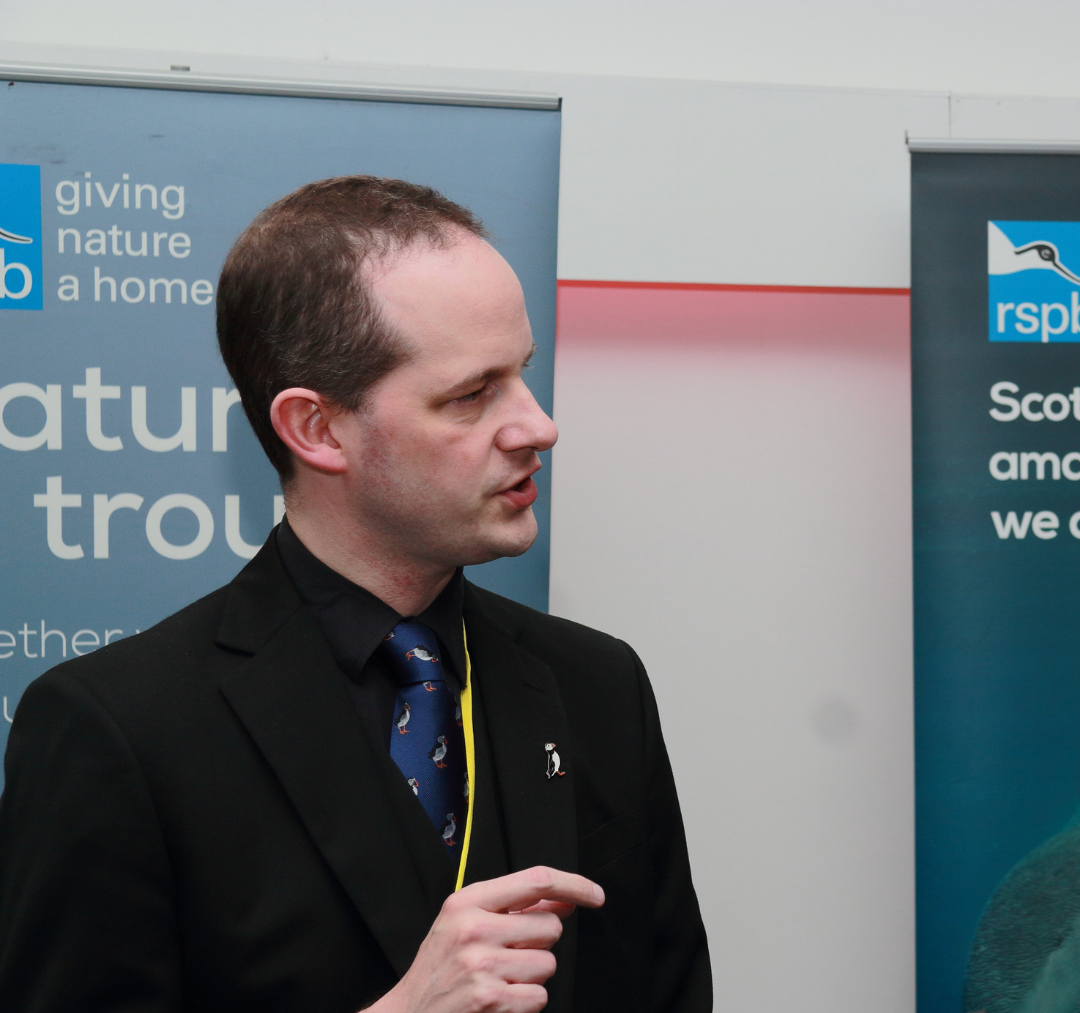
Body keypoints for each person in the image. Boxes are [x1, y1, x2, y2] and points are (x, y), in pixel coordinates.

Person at [0, 177, 710, 1013]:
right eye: (471, 395)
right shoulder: (118, 731)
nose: (537, 425)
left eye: (522, 373)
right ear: (317, 428)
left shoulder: (598, 685)